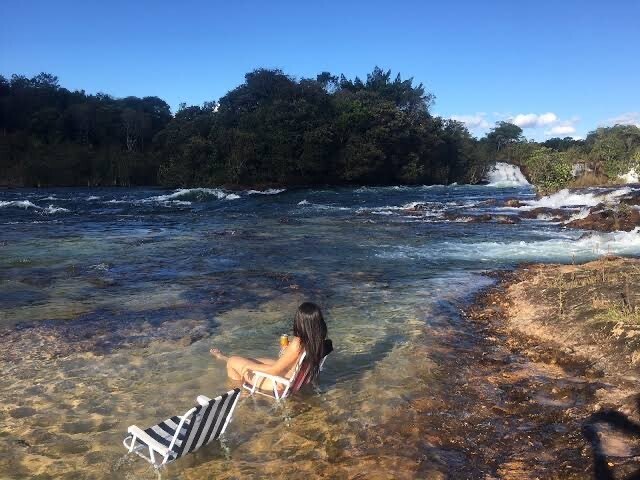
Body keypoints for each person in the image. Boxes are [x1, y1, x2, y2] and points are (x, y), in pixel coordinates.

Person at [210, 302, 329, 392]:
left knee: (233, 361)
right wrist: (287, 350)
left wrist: (249, 367)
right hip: (292, 376)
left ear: (301, 322)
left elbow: (273, 371)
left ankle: (240, 393)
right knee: (249, 360)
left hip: (279, 382)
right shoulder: (318, 341)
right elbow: (296, 359)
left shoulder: (297, 343)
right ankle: (223, 358)